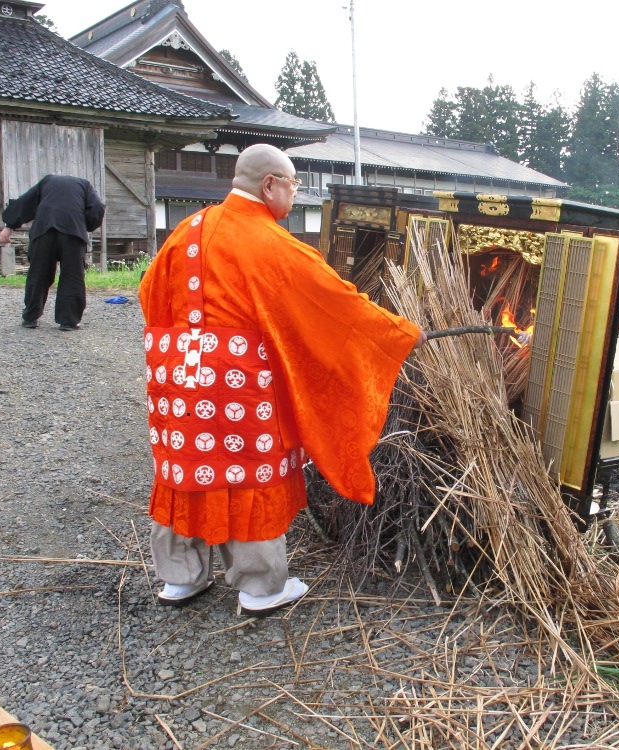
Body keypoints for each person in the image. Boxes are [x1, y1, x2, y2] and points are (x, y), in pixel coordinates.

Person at [139, 143, 425, 617]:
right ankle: (261, 586)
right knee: (249, 469)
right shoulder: (270, 242)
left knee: (184, 465)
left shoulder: (185, 230)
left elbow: (150, 293)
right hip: (238, 384)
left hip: (176, 374)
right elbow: (335, 304)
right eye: (292, 184)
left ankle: (181, 578)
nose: (294, 193)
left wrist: (189, 343)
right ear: (269, 184)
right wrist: (397, 333)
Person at [0, 174, 106, 331]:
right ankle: (68, 321)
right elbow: (96, 208)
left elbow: (26, 201)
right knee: (72, 275)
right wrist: (87, 224)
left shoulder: (47, 181)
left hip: (44, 230)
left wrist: (9, 225)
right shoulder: (85, 185)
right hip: (73, 232)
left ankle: (30, 317)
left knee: (38, 273)